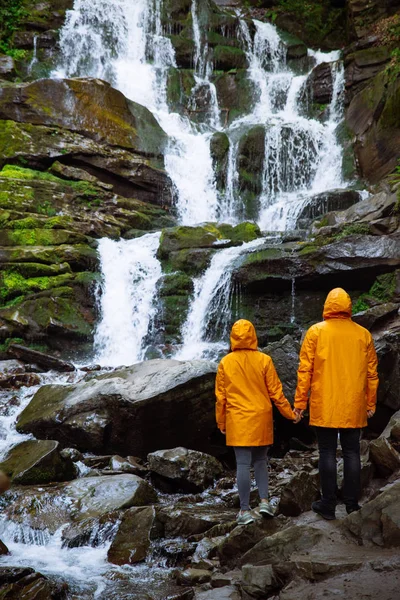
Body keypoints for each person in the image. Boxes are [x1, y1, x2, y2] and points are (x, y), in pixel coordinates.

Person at [294, 288, 379, 520]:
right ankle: (352, 505)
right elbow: (372, 374)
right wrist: (370, 403)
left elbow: (305, 372)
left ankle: (328, 505)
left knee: (327, 452)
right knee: (352, 453)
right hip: (354, 404)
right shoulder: (363, 335)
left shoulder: (315, 332)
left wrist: (300, 403)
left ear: (327, 306)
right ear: (348, 306)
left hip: (325, 404)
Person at [215, 319, 299, 525]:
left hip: (238, 419)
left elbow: (221, 398)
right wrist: (290, 414)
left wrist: (221, 423)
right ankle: (264, 502)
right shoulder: (264, 360)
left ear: (233, 337)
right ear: (253, 335)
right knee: (261, 461)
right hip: (261, 418)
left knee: (242, 464)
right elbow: (277, 393)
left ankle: (244, 511)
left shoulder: (226, 362)